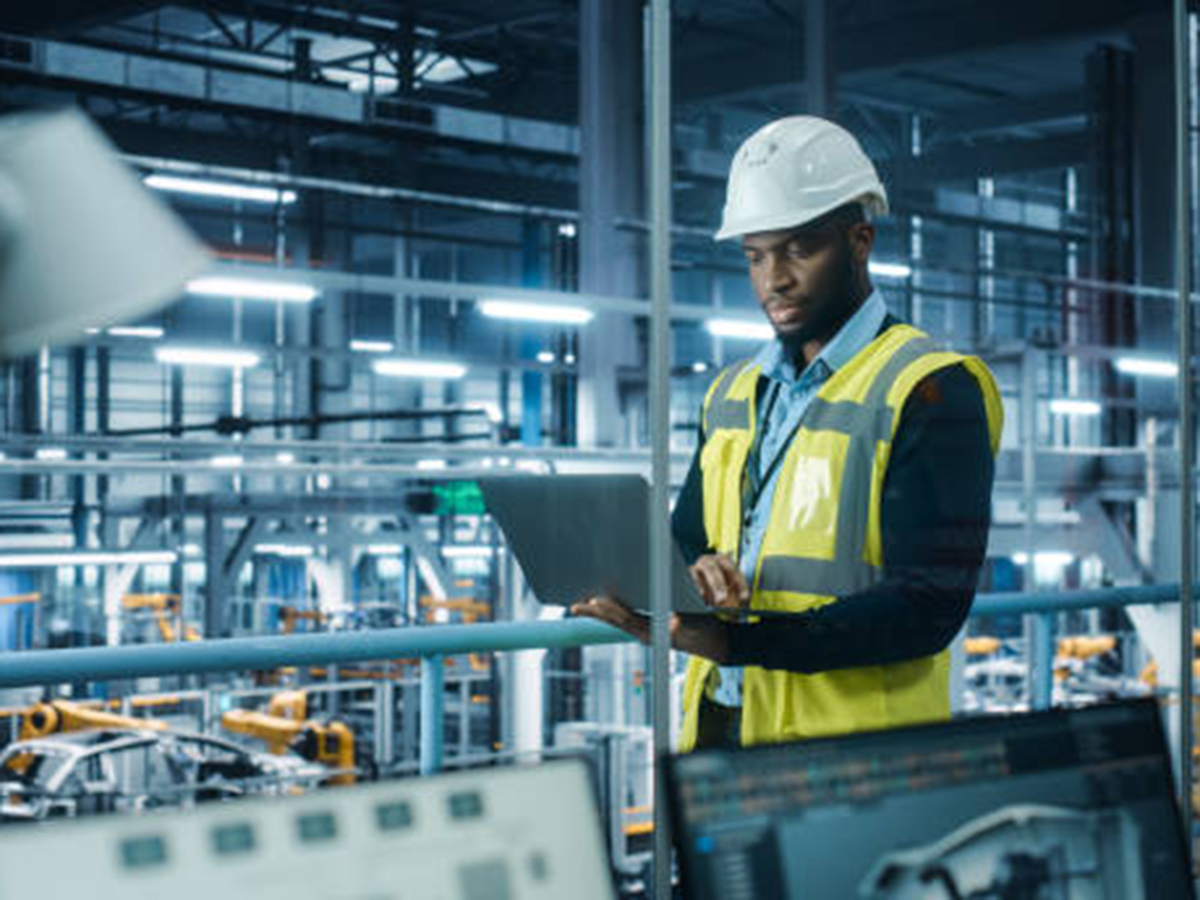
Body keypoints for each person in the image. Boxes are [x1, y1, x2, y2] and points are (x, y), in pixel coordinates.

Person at [572, 116, 1004, 751]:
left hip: (857, 756)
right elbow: (687, 538)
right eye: (755, 255)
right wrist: (696, 573)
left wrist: (733, 641)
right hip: (723, 729)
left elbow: (926, 609)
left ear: (860, 240)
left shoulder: (931, 389)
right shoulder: (732, 394)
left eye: (799, 249)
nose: (774, 279)